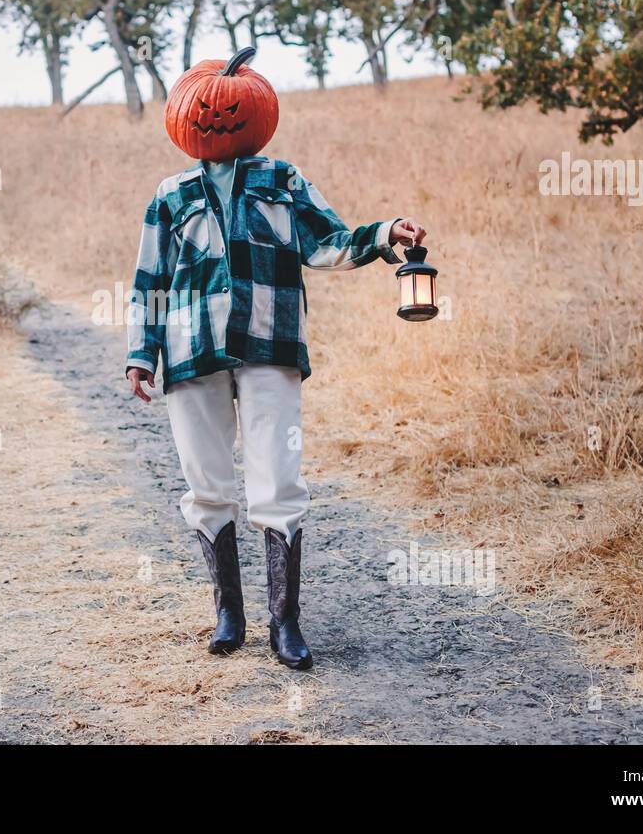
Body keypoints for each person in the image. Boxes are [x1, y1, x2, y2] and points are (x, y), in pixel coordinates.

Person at [126, 48, 426, 669]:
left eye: (227, 109)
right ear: (184, 115)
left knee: (278, 479)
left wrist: (383, 231)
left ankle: (283, 623)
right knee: (206, 482)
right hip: (190, 353)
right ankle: (228, 613)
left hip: (270, 346)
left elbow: (328, 244)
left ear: (254, 112)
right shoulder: (170, 193)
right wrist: (141, 354)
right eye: (204, 108)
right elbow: (149, 279)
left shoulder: (281, 180)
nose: (214, 119)